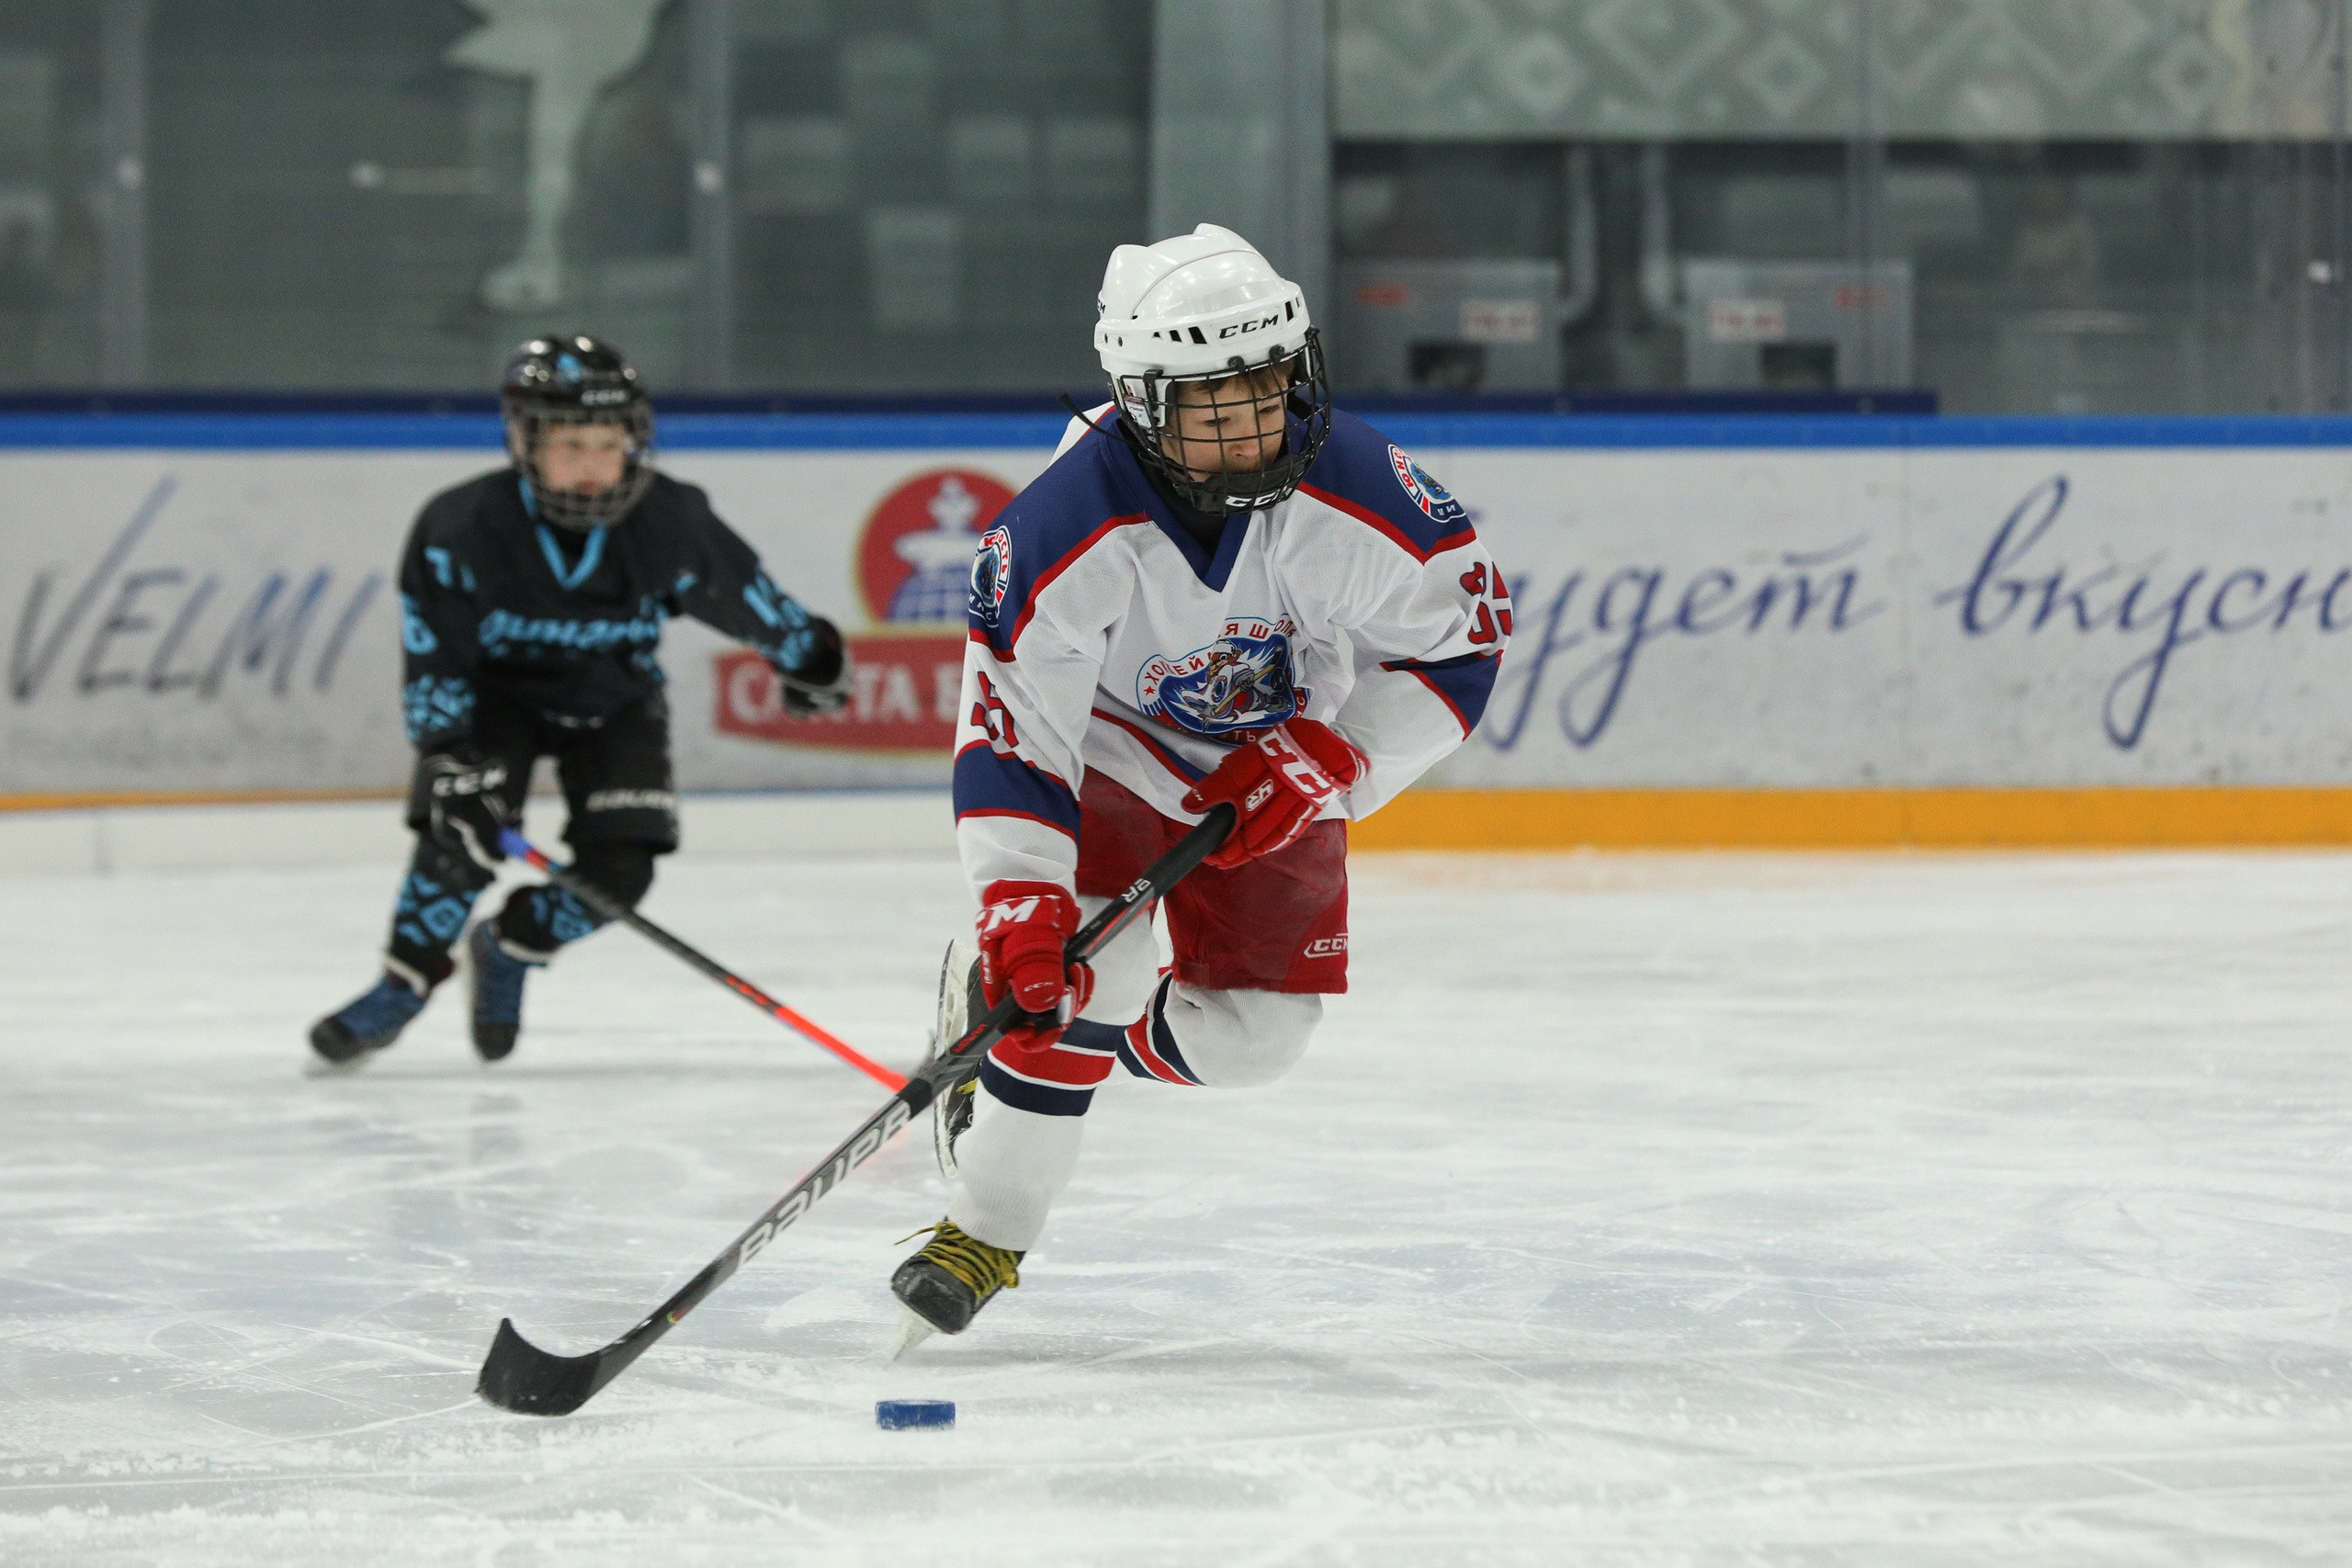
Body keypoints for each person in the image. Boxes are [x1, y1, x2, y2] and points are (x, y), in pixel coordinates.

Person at [888, 225, 1511, 1341]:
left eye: (1269, 384)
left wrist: (1339, 754)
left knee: (1253, 1042)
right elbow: (1013, 735)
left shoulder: (1360, 492)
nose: (1253, 421)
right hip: (1112, 752)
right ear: (1138, 400)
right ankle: (987, 1226)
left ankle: (1051, 1044)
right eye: (1211, 401)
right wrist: (1021, 899)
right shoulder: (1056, 528)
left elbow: (1462, 646)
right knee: (1091, 963)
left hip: (1281, 756)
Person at [309, 334, 849, 1067]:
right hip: (499, 699)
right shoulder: (460, 530)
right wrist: (446, 755)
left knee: (623, 871)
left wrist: (809, 658)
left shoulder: (672, 522)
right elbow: (434, 651)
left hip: (616, 695)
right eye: (571, 445)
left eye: (609, 443)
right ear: (525, 444)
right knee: (456, 840)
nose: (594, 466)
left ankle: (509, 947)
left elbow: (748, 600)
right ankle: (403, 984)